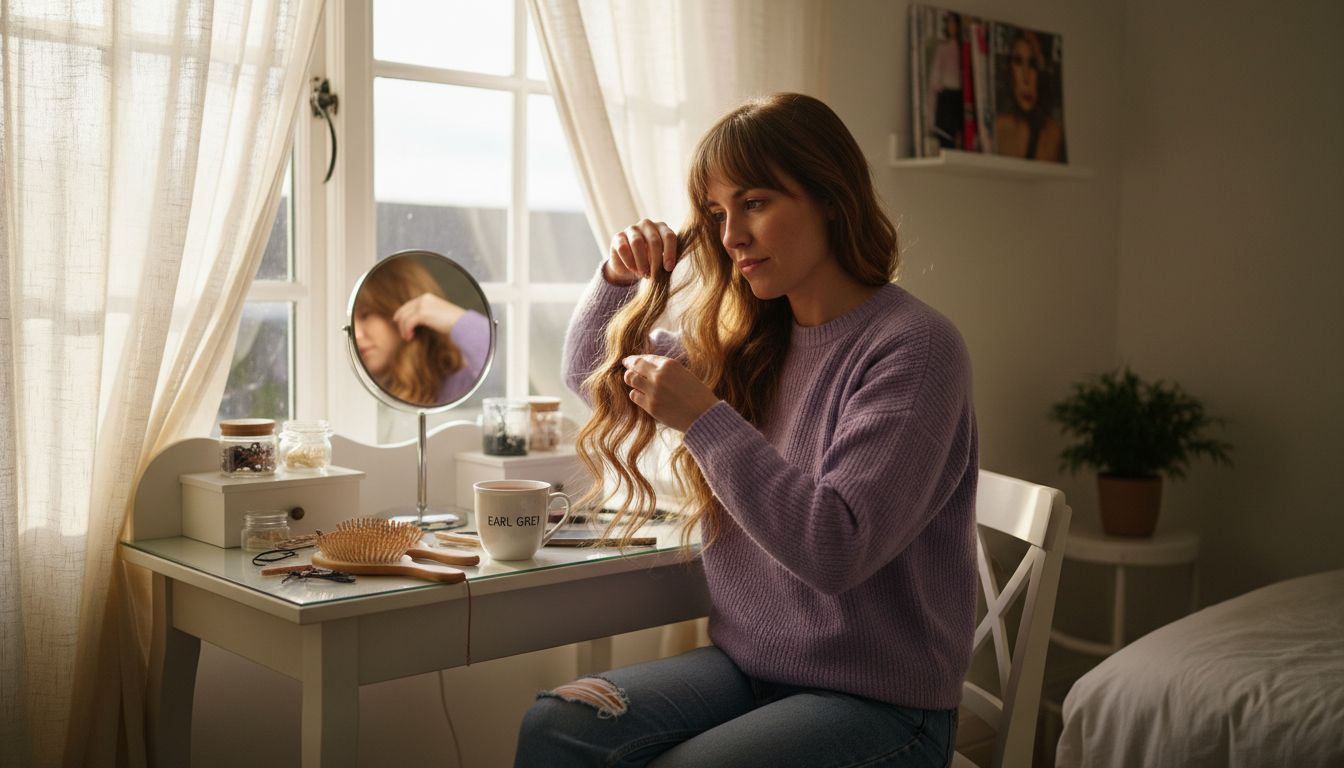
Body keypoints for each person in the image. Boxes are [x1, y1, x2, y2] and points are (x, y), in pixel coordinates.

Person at [514, 93, 978, 767]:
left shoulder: (915, 348)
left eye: (754, 202)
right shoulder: (749, 343)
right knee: (556, 727)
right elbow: (592, 369)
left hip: (885, 707)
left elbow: (835, 550)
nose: (731, 236)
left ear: (829, 196)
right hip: (749, 669)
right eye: (715, 213)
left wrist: (703, 418)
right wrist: (617, 277)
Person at [353, 256, 490, 405]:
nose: (357, 334)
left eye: (366, 315)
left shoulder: (456, 388)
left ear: (402, 308)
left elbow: (504, 368)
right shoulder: (363, 397)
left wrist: (456, 319)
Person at [992, 28, 1065, 161]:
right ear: (1010, 69)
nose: (1026, 78)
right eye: (1018, 62)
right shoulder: (999, 128)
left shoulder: (1055, 136)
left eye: (1033, 64)